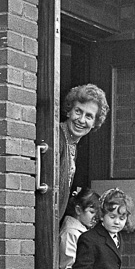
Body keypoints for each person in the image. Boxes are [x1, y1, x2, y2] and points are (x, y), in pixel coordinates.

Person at [58, 84, 109, 223]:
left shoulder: (72, 144)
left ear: (94, 123)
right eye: (78, 111)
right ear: (68, 111)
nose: (81, 120)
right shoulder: (57, 138)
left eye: (89, 116)